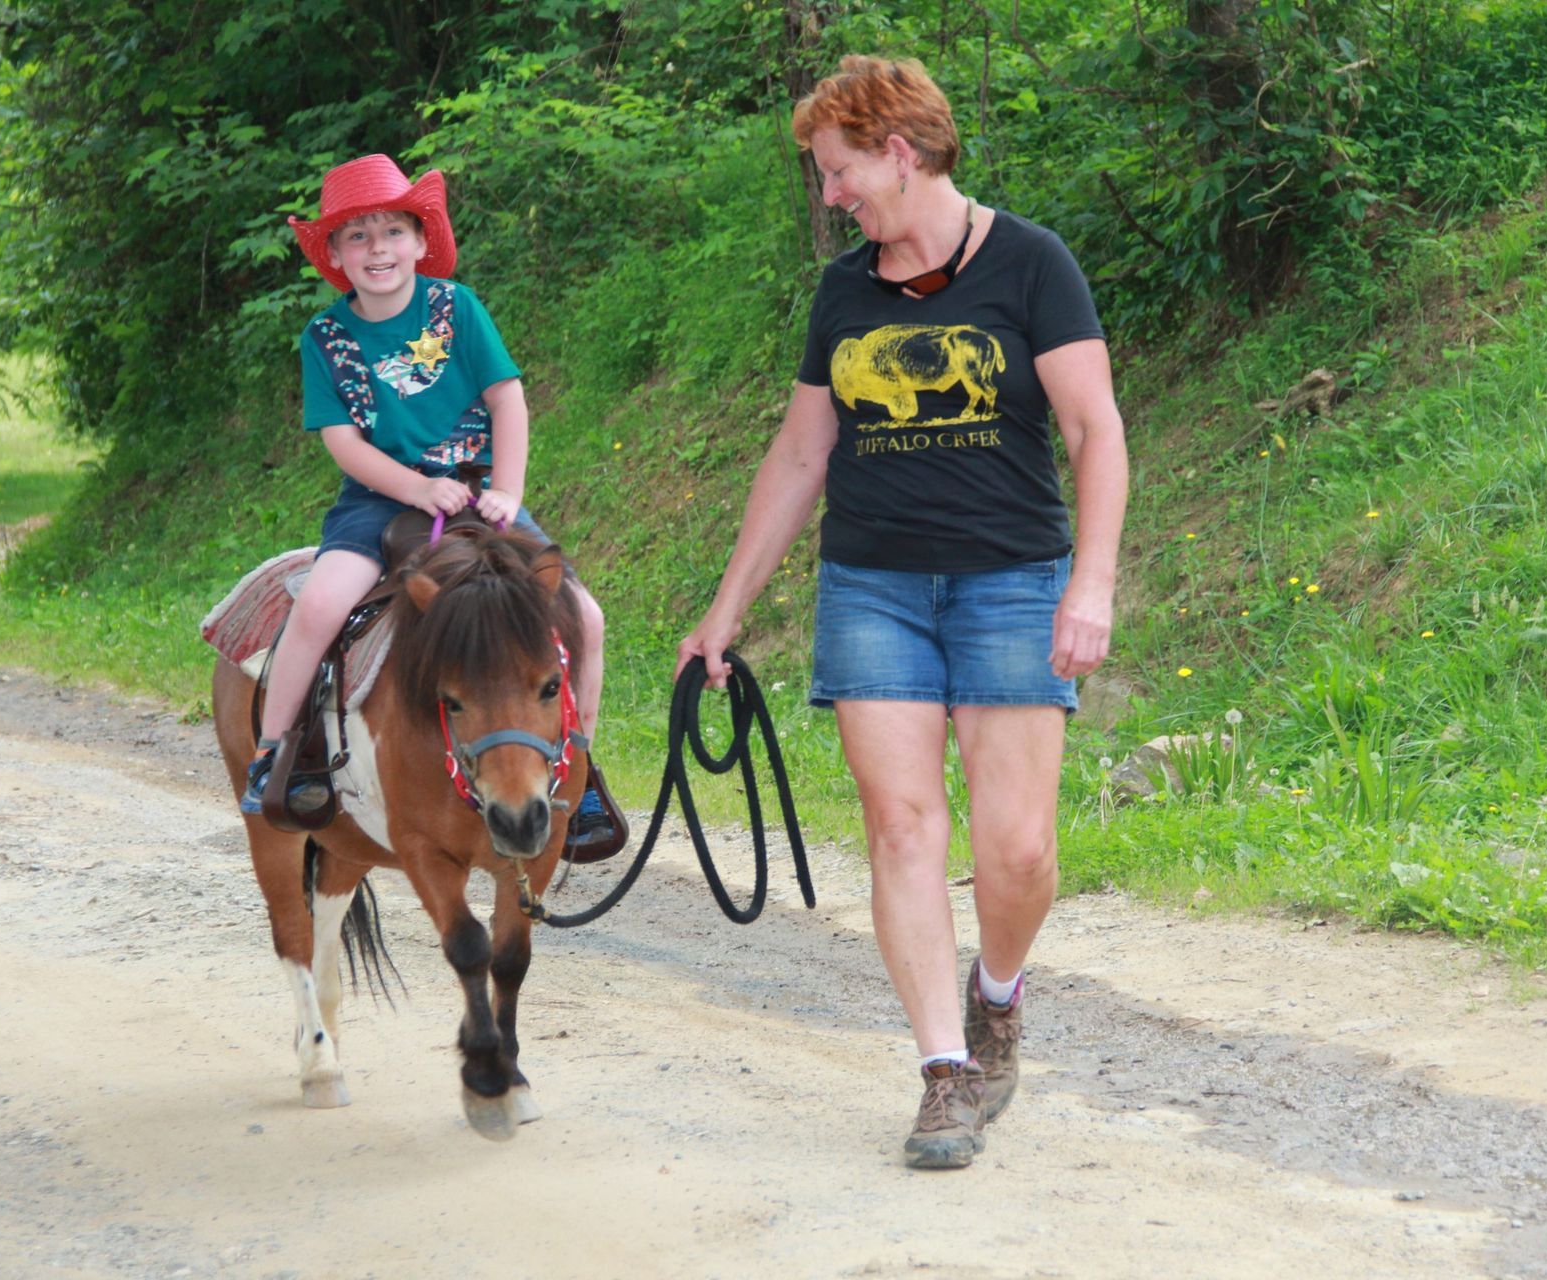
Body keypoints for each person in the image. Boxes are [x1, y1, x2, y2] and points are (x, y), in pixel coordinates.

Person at [677, 57, 1128, 1170]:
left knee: (1017, 848)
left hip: (1013, 578)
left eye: (839, 172)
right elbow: (799, 454)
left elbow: (1096, 430)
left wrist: (1094, 580)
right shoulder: (845, 293)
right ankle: (942, 1071)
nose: (832, 197)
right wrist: (725, 608)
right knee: (904, 827)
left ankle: (997, 991)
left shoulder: (1031, 265)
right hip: (874, 585)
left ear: (899, 150)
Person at [245, 152, 616, 856]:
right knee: (322, 606)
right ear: (334, 254)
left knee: (585, 617)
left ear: (421, 241)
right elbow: (341, 440)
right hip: (379, 497)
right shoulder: (326, 339)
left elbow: (508, 398)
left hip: (480, 491)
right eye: (357, 235)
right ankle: (278, 751)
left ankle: (581, 770)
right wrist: (414, 488)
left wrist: (506, 490)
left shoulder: (457, 308)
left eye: (392, 231)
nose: (377, 248)